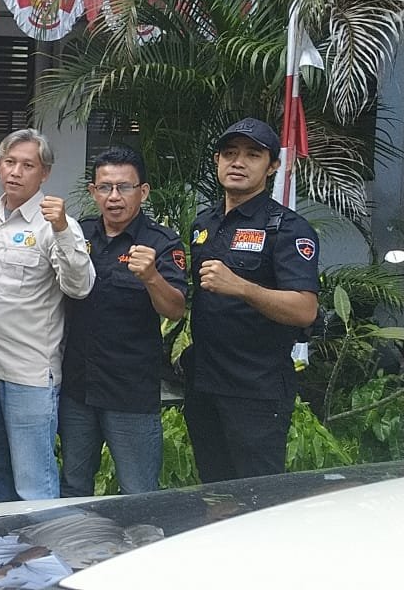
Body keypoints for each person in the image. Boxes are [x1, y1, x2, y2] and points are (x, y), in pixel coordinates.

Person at [184, 118, 319, 481]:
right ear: (217, 160)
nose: (238, 162)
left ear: (272, 166)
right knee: (215, 491)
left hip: (256, 390)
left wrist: (242, 287)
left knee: (258, 496)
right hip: (205, 384)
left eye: (252, 155)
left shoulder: (287, 228)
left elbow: (305, 309)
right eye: (229, 153)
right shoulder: (204, 224)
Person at [0, 128, 94, 502]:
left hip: (28, 375)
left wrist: (61, 229)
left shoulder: (56, 224)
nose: (16, 172)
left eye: (27, 165)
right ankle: (4, 543)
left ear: (45, 173)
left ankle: (41, 544)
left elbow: (80, 287)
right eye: (9, 162)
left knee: (33, 482)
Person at [59, 147, 187, 496]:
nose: (114, 197)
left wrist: (152, 277)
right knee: (73, 488)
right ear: (93, 191)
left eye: (124, 187)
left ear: (142, 192)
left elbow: (175, 309)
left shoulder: (161, 242)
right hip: (78, 389)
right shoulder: (79, 234)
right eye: (105, 187)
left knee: (139, 492)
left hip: (130, 392)